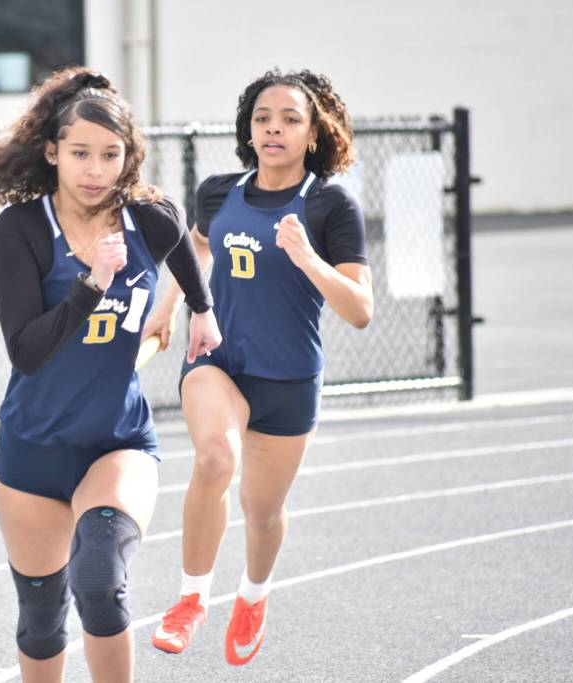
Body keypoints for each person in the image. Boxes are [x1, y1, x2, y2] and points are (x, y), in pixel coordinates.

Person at [0, 66, 221, 682]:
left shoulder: (149, 218)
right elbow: (26, 351)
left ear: (128, 157)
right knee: (42, 617)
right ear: (52, 152)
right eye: (79, 153)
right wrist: (90, 288)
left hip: (116, 441)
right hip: (32, 450)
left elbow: (181, 243)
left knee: (101, 581)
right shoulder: (22, 230)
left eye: (110, 155)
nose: (94, 170)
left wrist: (201, 312)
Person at [144, 68, 373, 665]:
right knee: (215, 457)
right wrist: (169, 308)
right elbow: (192, 244)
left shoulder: (329, 205)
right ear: (249, 128)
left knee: (262, 512)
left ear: (313, 133)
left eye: (290, 119)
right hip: (219, 358)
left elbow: (361, 311)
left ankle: (253, 595)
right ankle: (191, 599)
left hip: (289, 378)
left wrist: (308, 260)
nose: (274, 129)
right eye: (263, 118)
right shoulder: (220, 191)